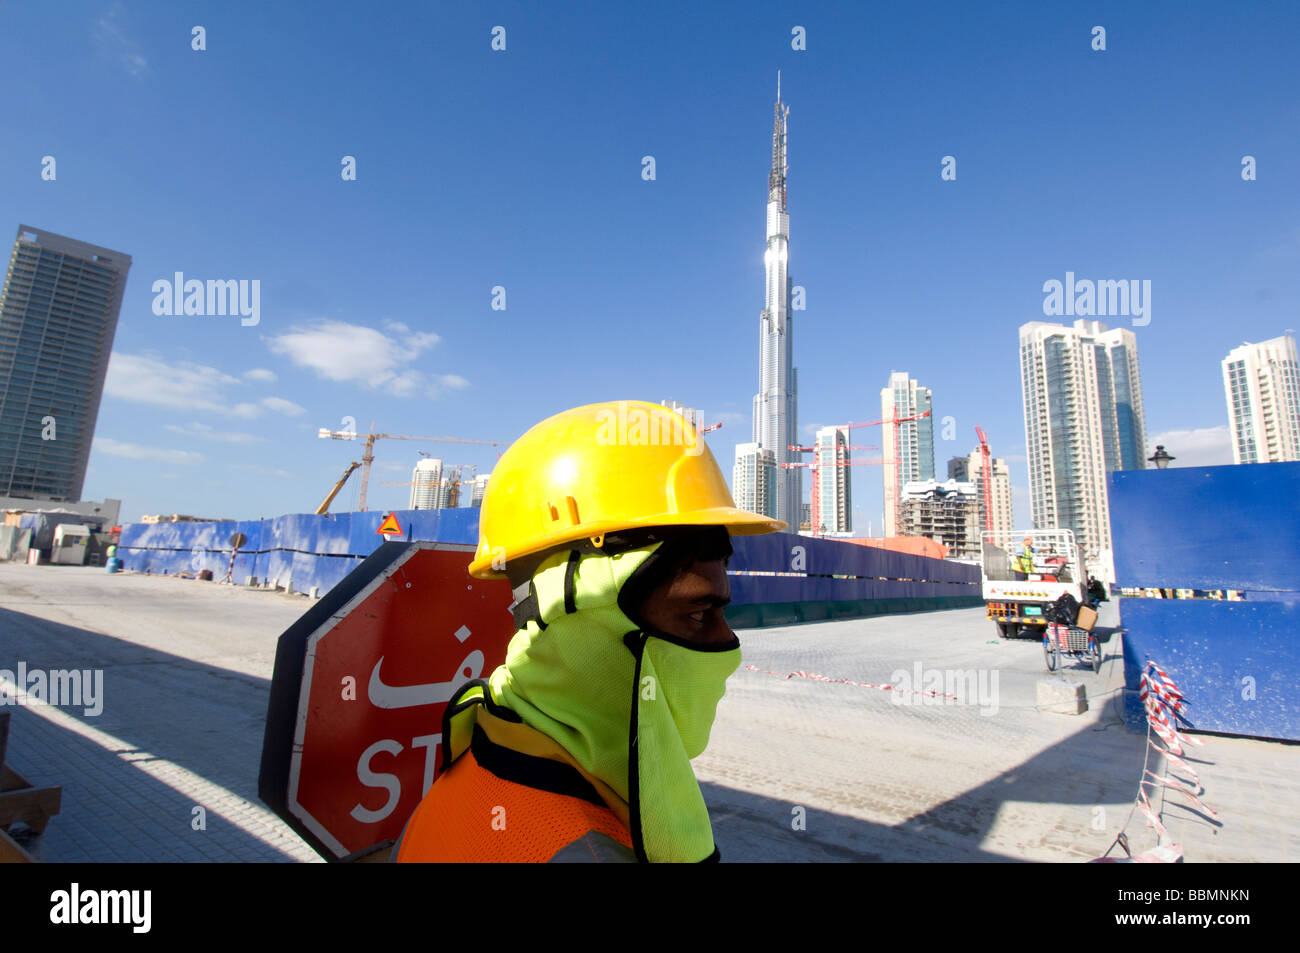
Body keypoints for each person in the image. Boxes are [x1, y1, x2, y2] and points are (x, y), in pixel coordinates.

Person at [393, 400, 785, 863]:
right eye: (698, 614)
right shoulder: (586, 849)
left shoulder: (482, 754)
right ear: (573, 605)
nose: (727, 648)